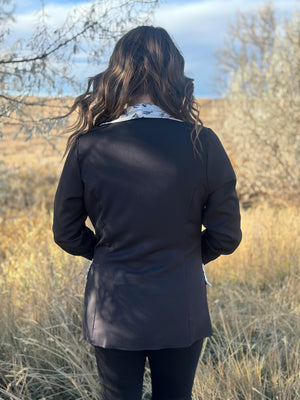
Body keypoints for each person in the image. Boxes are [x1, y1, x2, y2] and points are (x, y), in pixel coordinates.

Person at [52, 26, 242, 400]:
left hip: (112, 306)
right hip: (180, 301)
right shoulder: (202, 143)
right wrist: (186, 256)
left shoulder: (89, 147)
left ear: (116, 73)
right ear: (174, 73)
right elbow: (227, 235)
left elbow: (66, 231)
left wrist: (106, 253)